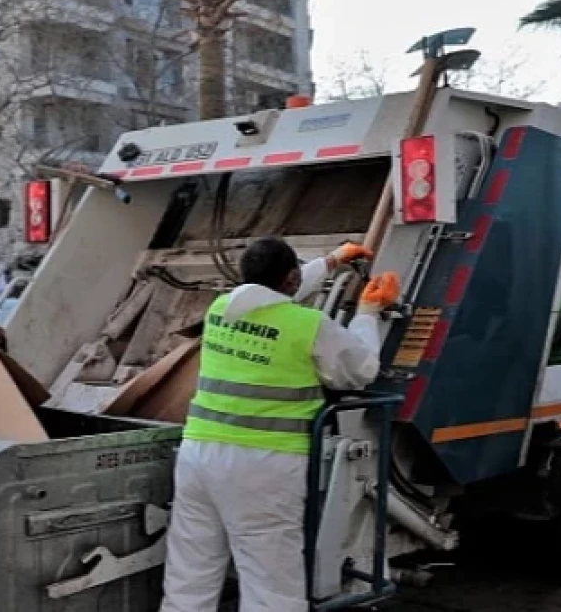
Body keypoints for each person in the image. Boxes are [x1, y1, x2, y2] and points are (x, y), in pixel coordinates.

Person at [159, 238, 400, 612]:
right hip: (264, 466)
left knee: (189, 576)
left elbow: (266, 298)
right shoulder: (308, 325)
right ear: (290, 278)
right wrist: (368, 311)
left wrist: (332, 261)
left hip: (198, 458)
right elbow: (361, 371)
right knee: (270, 585)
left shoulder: (221, 308)